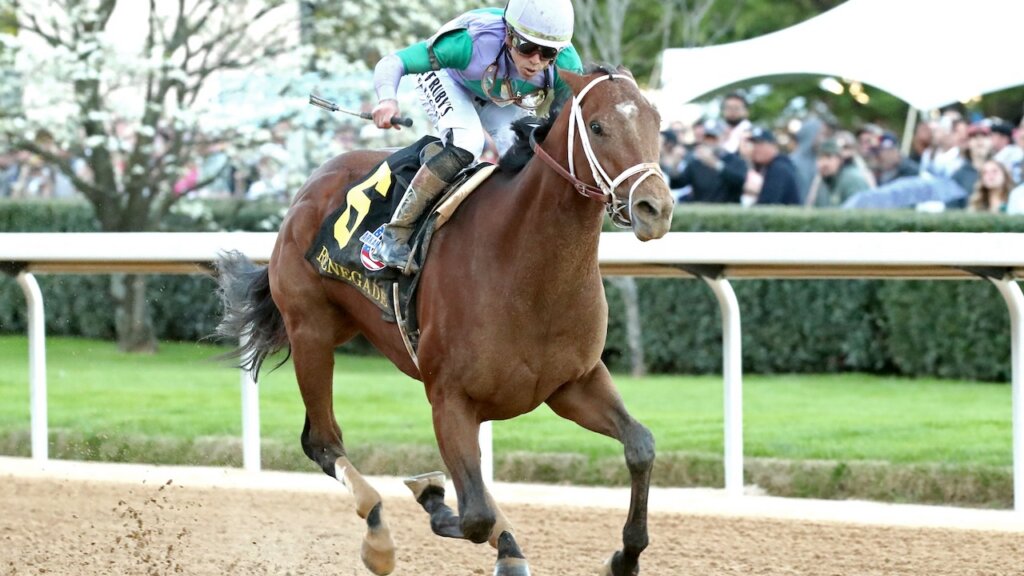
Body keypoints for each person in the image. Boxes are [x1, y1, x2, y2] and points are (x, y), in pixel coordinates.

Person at [370, 0, 583, 273]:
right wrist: (387, 100)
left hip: (499, 95)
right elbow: (394, 61)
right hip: (449, 78)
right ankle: (396, 233)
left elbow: (564, 124)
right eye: (527, 47)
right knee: (468, 143)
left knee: (531, 155)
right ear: (509, 35)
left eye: (547, 53)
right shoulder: (468, 43)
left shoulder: (566, 65)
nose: (535, 61)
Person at [667, 119, 747, 204]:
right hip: (700, 210)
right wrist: (675, 166)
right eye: (706, 137)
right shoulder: (696, 162)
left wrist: (716, 165)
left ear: (724, 137)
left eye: (713, 138)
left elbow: (740, 182)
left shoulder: (735, 160)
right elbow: (676, 184)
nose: (709, 141)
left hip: (728, 210)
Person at [805, 138, 872, 207]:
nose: (824, 163)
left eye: (829, 157)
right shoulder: (823, 181)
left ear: (840, 160)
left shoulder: (852, 180)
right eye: (820, 158)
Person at [745, 125, 800, 205]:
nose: (755, 148)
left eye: (760, 144)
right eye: (753, 144)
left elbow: (767, 204)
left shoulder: (779, 169)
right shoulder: (771, 166)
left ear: (773, 145)